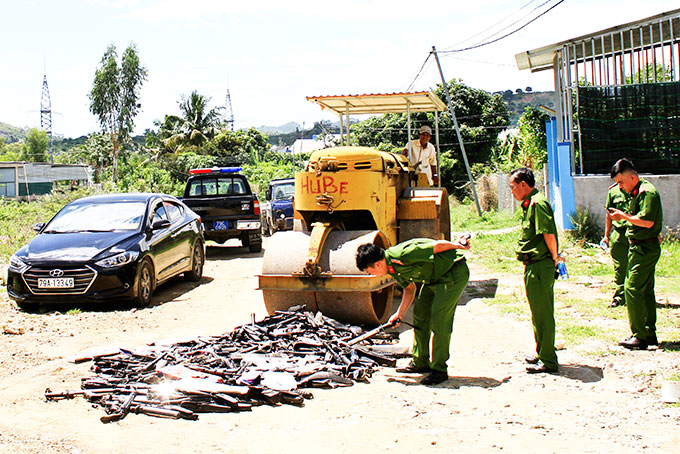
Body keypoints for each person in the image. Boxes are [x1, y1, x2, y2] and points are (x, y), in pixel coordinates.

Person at [355, 236, 470, 385]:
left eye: (369, 272)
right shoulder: (392, 268)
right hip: (433, 278)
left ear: (377, 264)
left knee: (439, 320)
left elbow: (438, 246)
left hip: (452, 272)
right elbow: (409, 289)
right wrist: (399, 313)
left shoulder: (402, 254)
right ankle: (420, 361)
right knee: (420, 315)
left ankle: (439, 370)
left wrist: (458, 246)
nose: (371, 275)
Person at [607, 158, 663, 350]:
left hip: (645, 248)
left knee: (631, 288)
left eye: (621, 182)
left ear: (632, 177)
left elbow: (647, 222)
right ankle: (648, 334)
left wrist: (623, 216)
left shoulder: (647, 192)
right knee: (645, 290)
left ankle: (639, 335)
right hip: (638, 247)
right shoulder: (635, 192)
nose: (620, 187)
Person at [509, 167, 561, 374]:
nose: (512, 192)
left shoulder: (538, 204)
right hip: (533, 264)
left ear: (523, 185)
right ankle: (542, 351)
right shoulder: (529, 203)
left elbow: (548, 234)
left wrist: (556, 259)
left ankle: (549, 360)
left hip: (540, 265)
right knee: (537, 312)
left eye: (513, 187)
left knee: (543, 313)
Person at [602, 181, 631, 308]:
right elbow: (609, 215)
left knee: (637, 267)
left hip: (635, 232)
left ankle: (638, 296)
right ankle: (620, 297)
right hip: (619, 234)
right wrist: (607, 235)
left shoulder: (639, 190)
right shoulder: (613, 192)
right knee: (620, 268)